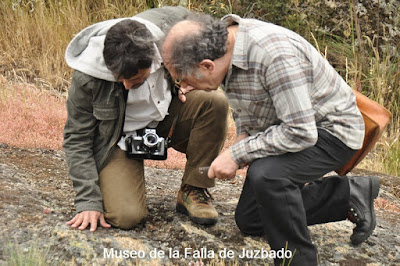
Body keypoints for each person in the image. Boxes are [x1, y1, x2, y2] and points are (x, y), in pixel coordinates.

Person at [161, 13, 380, 265]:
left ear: (207, 65)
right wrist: (242, 139)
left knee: (267, 175)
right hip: (289, 129)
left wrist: (237, 154)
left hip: (332, 133)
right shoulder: (224, 48)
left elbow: (301, 131)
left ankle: (298, 260)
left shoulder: (273, 55)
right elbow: (248, 103)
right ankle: (349, 194)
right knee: (251, 219)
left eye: (184, 79)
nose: (185, 87)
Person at [63, 6, 229, 232]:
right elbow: (76, 138)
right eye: (120, 80)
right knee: (126, 216)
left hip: (167, 118)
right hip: (118, 139)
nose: (127, 86)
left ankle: (193, 188)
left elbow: (214, 35)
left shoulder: (169, 31)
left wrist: (183, 76)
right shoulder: (86, 77)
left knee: (214, 101)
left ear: (155, 58)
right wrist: (87, 200)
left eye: (135, 80)